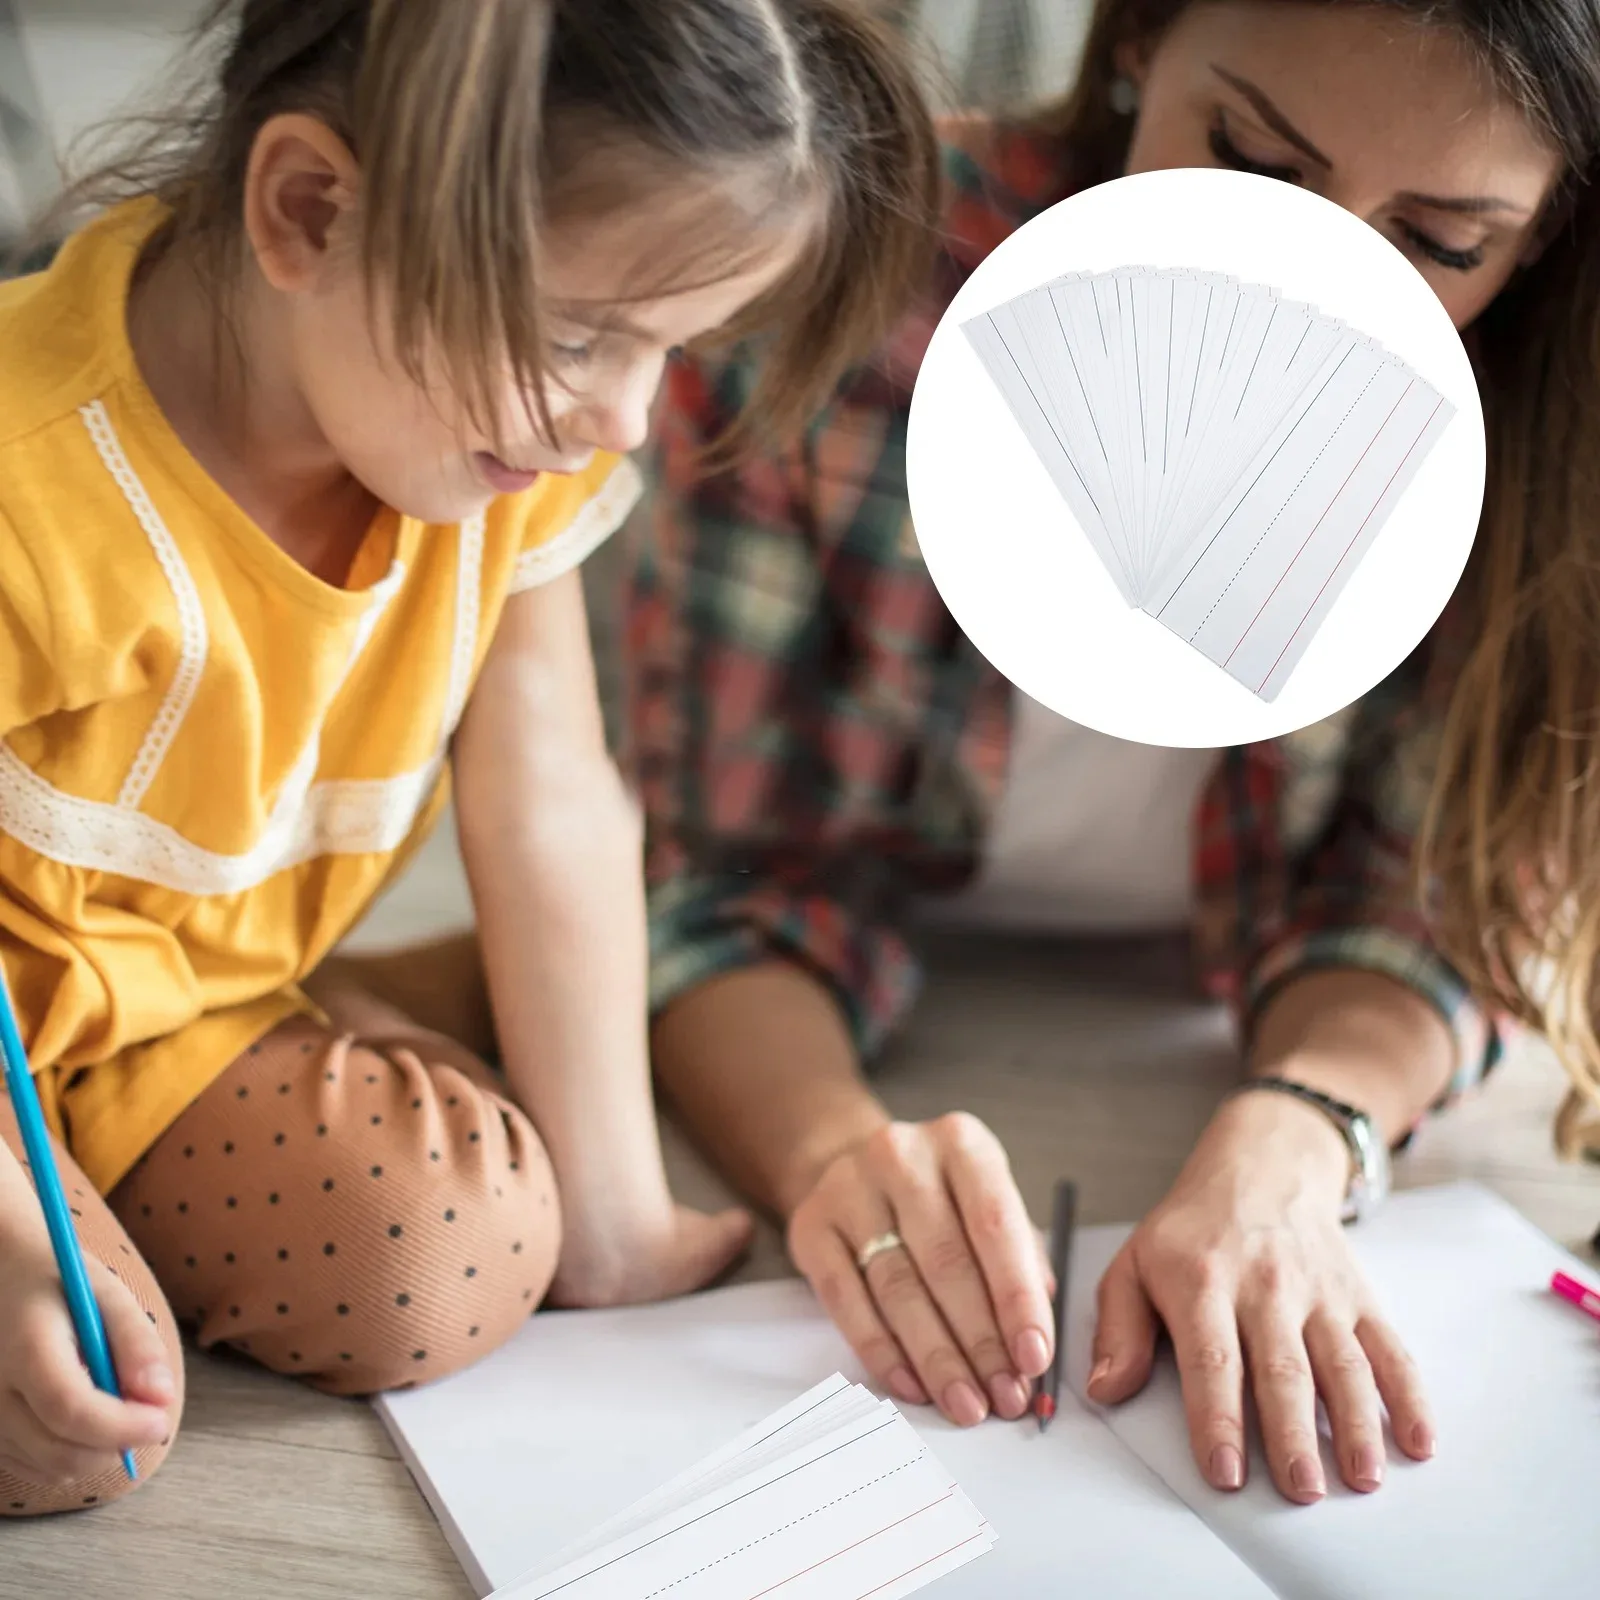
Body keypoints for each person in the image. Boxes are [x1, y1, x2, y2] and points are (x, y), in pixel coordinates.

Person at [617, 0, 1600, 1509]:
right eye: (1255, 164)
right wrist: (829, 1155)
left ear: (1537, 246)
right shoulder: (839, 277)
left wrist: (1293, 1143)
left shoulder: (1544, 437)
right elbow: (723, 879)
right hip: (888, 1044)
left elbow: (1433, 907)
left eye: (1441, 242)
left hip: (1152, 1059)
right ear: (1135, 41)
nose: (1304, 293)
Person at [0, 0, 940, 1516]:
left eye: (669, 352)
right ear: (310, 209)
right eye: (579, 338)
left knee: (452, 1251)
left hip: (176, 1011)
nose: (620, 421)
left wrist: (617, 1228)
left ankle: (331, 1053)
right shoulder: (32, 470)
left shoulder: (481, 462)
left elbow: (553, 800)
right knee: (78, 1435)